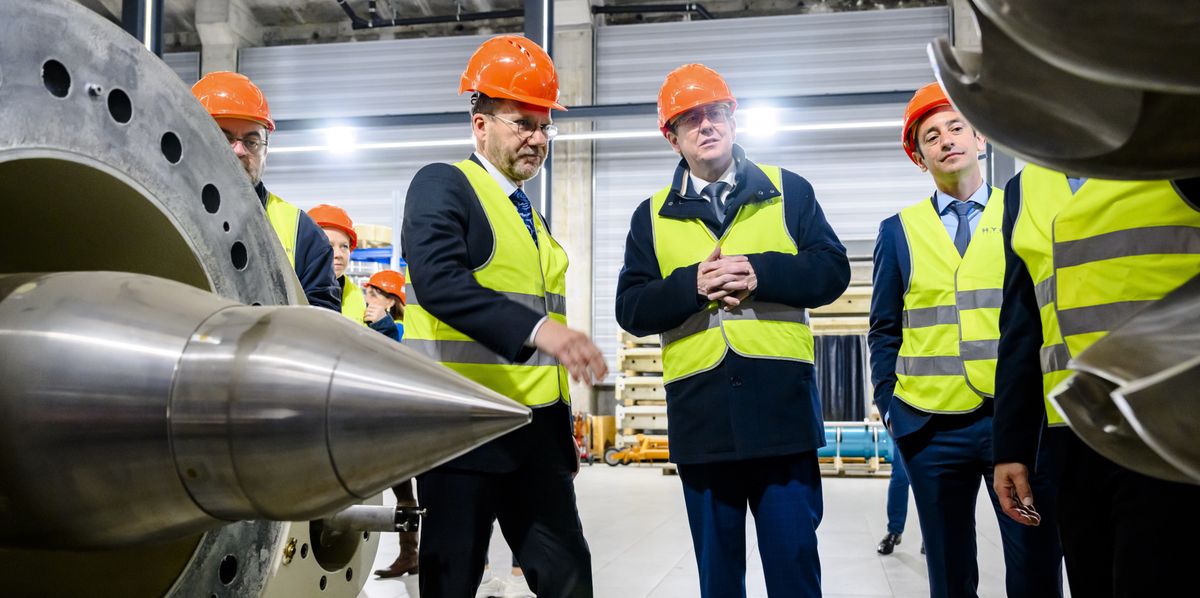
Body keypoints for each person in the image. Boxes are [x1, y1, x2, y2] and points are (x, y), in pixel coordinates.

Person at [615, 63, 849, 598]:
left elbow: (832, 271)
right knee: (718, 578)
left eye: (715, 113)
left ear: (733, 121)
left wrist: (761, 272)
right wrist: (691, 285)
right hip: (703, 420)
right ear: (672, 137)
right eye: (690, 119)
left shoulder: (790, 191)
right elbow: (631, 308)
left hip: (782, 413)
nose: (706, 125)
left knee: (794, 567)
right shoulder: (649, 217)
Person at [400, 35, 605, 598]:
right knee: (451, 583)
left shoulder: (529, 215)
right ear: (480, 124)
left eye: (544, 127)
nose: (537, 139)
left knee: (569, 581)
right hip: (462, 433)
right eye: (523, 124)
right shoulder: (444, 184)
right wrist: (540, 331)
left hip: (536, 439)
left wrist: (561, 434)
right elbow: (440, 283)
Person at [868, 82, 1063, 598]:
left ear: (980, 138)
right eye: (931, 136)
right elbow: (884, 328)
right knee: (950, 576)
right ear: (919, 157)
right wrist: (890, 406)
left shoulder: (1020, 211)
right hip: (929, 429)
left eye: (957, 127)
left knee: (1035, 566)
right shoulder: (897, 231)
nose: (946, 140)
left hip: (1016, 423)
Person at [992, 162, 1200, 597]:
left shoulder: (1173, 144)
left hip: (1173, 420)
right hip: (1072, 434)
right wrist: (1011, 448)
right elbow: (1022, 326)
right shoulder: (1022, 189)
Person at [191, 71, 340, 311]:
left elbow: (321, 324)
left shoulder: (302, 234)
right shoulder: (153, 211)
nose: (239, 150)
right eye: (223, 137)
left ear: (266, 151)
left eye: (251, 141)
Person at [308, 203, 367, 323]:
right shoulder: (291, 289)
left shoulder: (355, 294)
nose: (338, 254)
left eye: (344, 246)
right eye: (328, 246)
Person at [876, 443, 910, 555]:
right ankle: (895, 531)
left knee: (931, 479)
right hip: (905, 433)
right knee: (900, 476)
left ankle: (931, 533)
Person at [363, 269, 405, 342]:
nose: (366, 299)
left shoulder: (399, 329)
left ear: (390, 302)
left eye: (373, 295)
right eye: (366, 294)